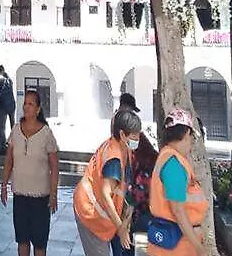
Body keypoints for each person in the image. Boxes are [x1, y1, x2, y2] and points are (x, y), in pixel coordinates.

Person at [0, 90, 60, 256]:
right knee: (22, 240)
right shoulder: (16, 131)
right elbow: (9, 161)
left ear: (38, 109)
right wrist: (4, 185)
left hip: (40, 198)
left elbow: (55, 166)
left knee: (40, 243)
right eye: (25, 103)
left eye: (30, 104)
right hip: (20, 196)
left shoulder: (46, 133)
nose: (26, 107)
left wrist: (53, 194)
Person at [75, 109, 141, 256]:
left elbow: (126, 187)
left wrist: (127, 219)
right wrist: (121, 228)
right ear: (123, 134)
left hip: (99, 213)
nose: (138, 138)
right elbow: (106, 196)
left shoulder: (124, 148)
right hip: (89, 211)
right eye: (134, 135)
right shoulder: (114, 159)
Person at [146, 109, 209, 256]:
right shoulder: (174, 165)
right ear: (187, 134)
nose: (191, 144)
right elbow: (178, 211)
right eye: (191, 138)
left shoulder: (168, 157)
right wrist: (199, 249)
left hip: (172, 242)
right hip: (176, 246)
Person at [127, 131, 160, 234]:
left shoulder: (142, 163)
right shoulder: (156, 158)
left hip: (144, 213)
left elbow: (138, 194)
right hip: (156, 211)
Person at [0, 66, 17, 138]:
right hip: (12, 105)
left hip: (3, 106)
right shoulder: (10, 80)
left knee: (2, 127)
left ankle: (2, 145)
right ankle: (15, 143)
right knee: (12, 125)